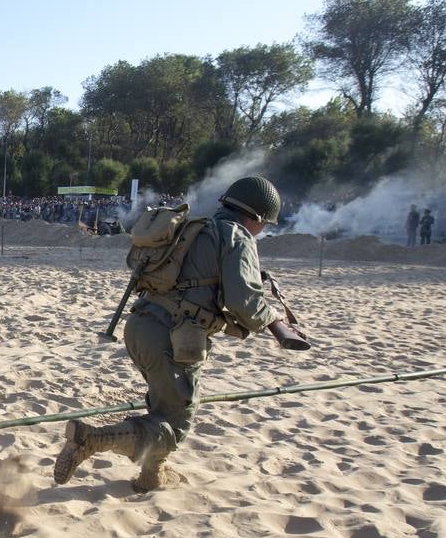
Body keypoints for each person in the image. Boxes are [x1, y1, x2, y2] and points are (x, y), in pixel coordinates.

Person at [55, 176, 302, 492]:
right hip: (172, 338)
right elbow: (244, 301)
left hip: (140, 326)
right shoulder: (237, 237)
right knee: (173, 426)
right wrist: (276, 323)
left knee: (163, 408)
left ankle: (149, 477)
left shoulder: (197, 228)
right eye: (264, 223)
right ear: (256, 217)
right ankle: (89, 440)